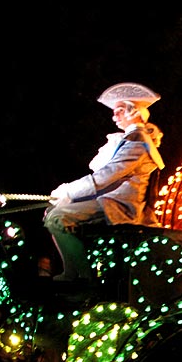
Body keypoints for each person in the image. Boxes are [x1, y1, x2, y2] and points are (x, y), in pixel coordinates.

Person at [43, 82, 166, 282]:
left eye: (119, 111)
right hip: (108, 200)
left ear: (133, 112)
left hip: (120, 206)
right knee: (51, 212)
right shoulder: (129, 139)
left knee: (57, 218)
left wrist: (68, 191)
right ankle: (73, 273)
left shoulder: (137, 141)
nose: (114, 116)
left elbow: (105, 177)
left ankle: (83, 279)